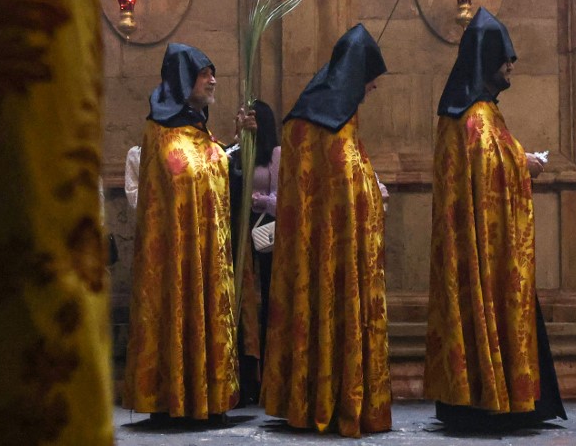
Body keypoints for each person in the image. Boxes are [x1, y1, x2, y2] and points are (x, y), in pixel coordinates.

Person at [424, 7, 567, 431]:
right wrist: (525, 166)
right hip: (485, 247)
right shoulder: (476, 118)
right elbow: (491, 172)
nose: (510, 66)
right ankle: (491, 397)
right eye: (505, 59)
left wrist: (516, 160)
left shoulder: (468, 114)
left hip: (471, 243)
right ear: (486, 59)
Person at [260, 24, 392, 437]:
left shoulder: (304, 118)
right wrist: (372, 189)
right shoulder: (335, 129)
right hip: (338, 254)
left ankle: (302, 396)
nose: (371, 89)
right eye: (370, 81)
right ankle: (339, 398)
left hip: (307, 254)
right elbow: (348, 185)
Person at [123, 43, 250, 422]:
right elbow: (178, 179)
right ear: (183, 78)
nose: (213, 80)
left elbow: (210, 170)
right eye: (204, 73)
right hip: (173, 257)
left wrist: (239, 144)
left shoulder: (199, 128)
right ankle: (171, 399)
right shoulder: (160, 132)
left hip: (207, 253)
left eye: (213, 73)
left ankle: (208, 398)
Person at [227, 100, 280, 405]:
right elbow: (230, 177)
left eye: (256, 118)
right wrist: (237, 138)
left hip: (266, 233)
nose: (251, 122)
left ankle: (269, 374)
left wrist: (255, 199)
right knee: (244, 303)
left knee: (269, 299)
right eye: (247, 117)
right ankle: (248, 375)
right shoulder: (239, 152)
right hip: (241, 234)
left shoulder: (275, 154)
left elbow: (281, 197)